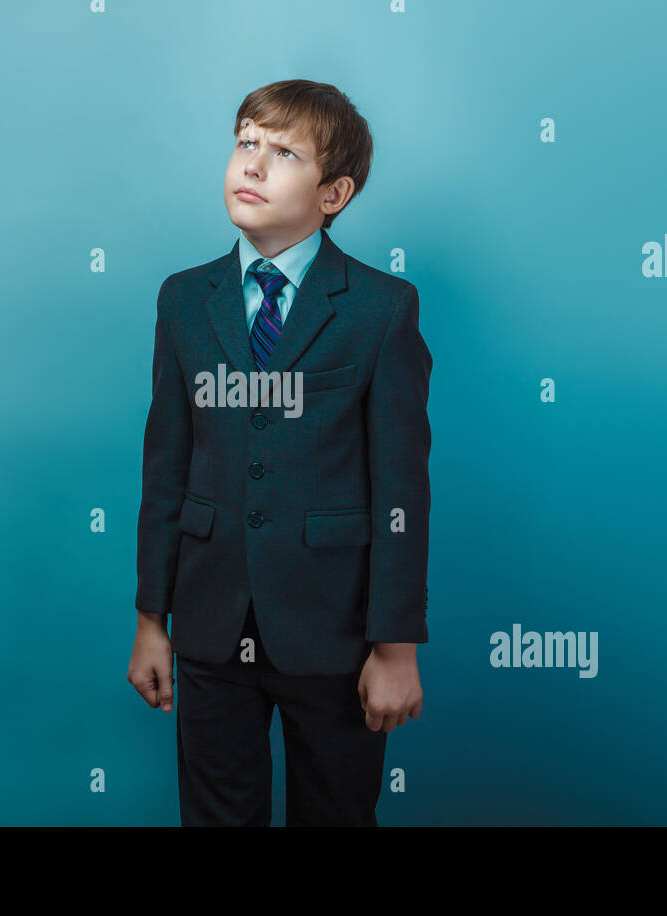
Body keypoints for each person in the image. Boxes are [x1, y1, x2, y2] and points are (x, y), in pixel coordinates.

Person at [127, 79, 433, 826]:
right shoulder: (183, 300)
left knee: (334, 811)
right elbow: (166, 464)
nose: (253, 166)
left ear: (333, 193)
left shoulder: (380, 309)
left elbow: (401, 490)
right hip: (208, 622)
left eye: (285, 152)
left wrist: (395, 648)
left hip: (332, 629)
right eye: (245, 142)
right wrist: (150, 619)